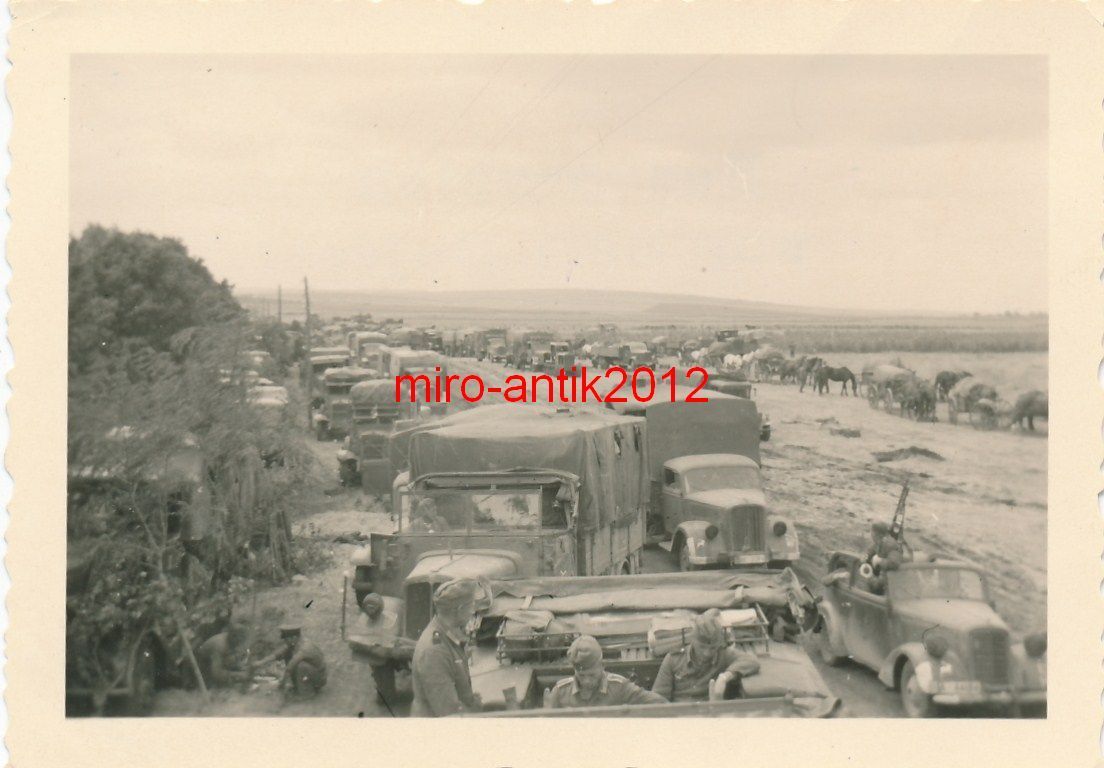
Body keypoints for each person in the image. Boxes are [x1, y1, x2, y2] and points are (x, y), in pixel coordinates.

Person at [651, 609, 760, 702]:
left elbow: (751, 661)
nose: (707, 653)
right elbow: (658, 699)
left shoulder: (723, 654)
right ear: (693, 640)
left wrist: (725, 677)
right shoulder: (673, 659)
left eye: (712, 648)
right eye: (702, 647)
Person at [410, 578, 482, 716]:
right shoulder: (434, 651)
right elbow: (448, 712)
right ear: (460, 610)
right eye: (471, 606)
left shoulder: (447, 632)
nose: (473, 611)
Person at [545, 635, 667, 709]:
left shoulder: (619, 687)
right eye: (581, 676)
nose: (586, 681)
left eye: (592, 675)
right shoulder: (560, 691)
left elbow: (659, 703)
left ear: (602, 665)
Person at [254, 624, 328, 698]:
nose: (285, 641)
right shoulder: (294, 643)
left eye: (286, 639)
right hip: (310, 674)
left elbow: (290, 667)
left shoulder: (305, 648)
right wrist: (260, 663)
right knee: (288, 654)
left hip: (319, 678)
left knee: (301, 666)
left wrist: (282, 684)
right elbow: (277, 654)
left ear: (294, 637)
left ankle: (307, 694)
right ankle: (297, 685)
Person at [194, 620, 251, 688]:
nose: (240, 642)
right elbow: (216, 673)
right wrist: (238, 675)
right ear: (234, 636)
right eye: (239, 639)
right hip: (203, 666)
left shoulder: (233, 641)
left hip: (218, 662)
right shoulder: (219, 645)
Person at [864, 521, 905, 594]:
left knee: (868, 583)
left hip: (889, 582)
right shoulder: (880, 541)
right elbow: (871, 550)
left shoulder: (890, 545)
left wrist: (880, 561)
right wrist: (866, 558)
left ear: (876, 534)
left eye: (872, 533)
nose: (871, 535)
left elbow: (894, 563)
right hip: (885, 578)